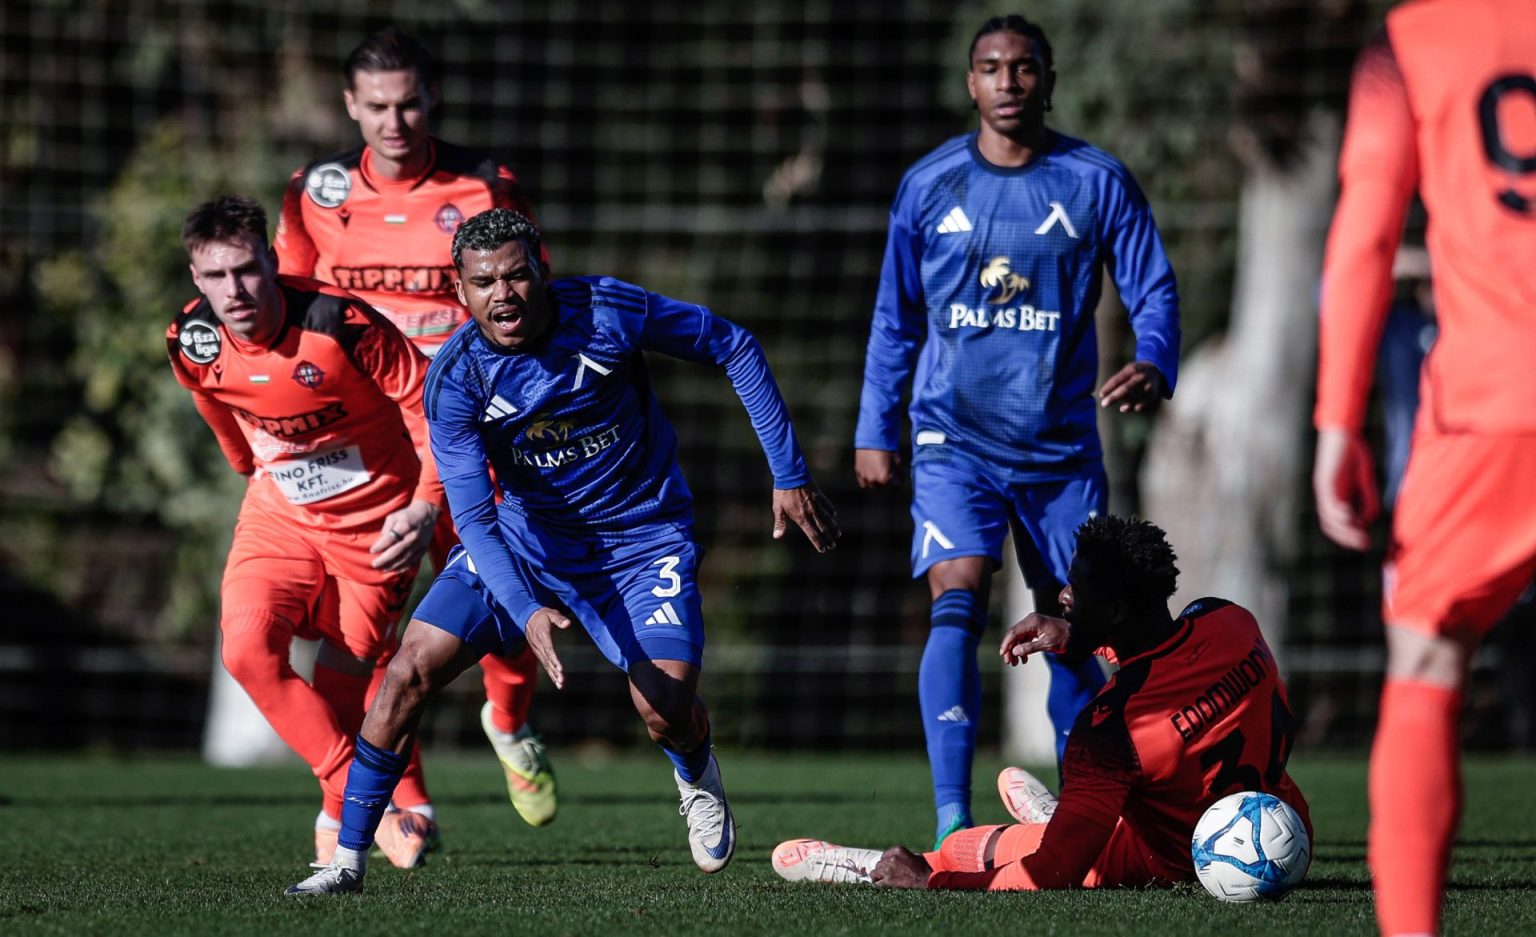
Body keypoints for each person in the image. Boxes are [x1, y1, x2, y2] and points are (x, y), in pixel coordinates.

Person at [284, 208, 841, 895]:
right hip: (528, 541)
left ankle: (695, 769)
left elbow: (734, 344)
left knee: (664, 705)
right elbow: (474, 517)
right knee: (407, 671)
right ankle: (345, 860)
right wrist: (525, 610)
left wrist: (788, 473)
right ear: (460, 290)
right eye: (484, 282)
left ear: (542, 272)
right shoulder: (456, 379)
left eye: (517, 275)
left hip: (641, 541)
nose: (503, 294)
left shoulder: (607, 311)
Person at [853, 13, 1180, 848]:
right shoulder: (929, 186)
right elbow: (894, 317)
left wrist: (1155, 359)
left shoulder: (1095, 180)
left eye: (1024, 67)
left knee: (1077, 623)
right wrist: (873, 427)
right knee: (957, 596)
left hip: (1061, 451)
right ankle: (953, 817)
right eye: (992, 67)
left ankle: (1085, 813)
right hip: (951, 439)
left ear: (1048, 80)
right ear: (970, 84)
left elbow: (1152, 285)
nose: (1008, 81)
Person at [274, 26, 557, 830]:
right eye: (377, 107)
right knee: (370, 631)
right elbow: (289, 310)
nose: (394, 122)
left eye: (407, 104)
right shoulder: (315, 193)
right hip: (367, 437)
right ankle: (410, 801)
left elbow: (531, 297)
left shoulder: (485, 186)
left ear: (430, 99)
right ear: (350, 106)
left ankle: (508, 720)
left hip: (468, 427)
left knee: (507, 595)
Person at [1311, 3, 1536, 933]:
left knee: (1428, 655)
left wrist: (1338, 422)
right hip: (1486, 400)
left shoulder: (1409, 43)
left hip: (1491, 402)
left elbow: (1365, 239)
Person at [771, 515, 1311, 892]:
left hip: (1170, 859)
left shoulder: (1110, 728)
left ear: (1116, 610)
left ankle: (874, 867)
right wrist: (1078, 635)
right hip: (1282, 830)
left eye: (1076, 587)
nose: (1064, 596)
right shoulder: (1229, 620)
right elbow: (1165, 655)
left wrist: (931, 881)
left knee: (979, 848)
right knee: (1094, 815)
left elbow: (1050, 874)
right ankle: (1074, 813)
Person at [167, 195, 444, 870]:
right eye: (215, 275)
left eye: (245, 270)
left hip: (377, 525)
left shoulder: (341, 323)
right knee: (247, 650)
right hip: (280, 515)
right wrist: (249, 467)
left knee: (347, 689)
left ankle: (340, 816)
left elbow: (430, 406)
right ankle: (367, 806)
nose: (234, 290)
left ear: (271, 260)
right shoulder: (191, 339)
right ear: (196, 278)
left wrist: (424, 505)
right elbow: (212, 400)